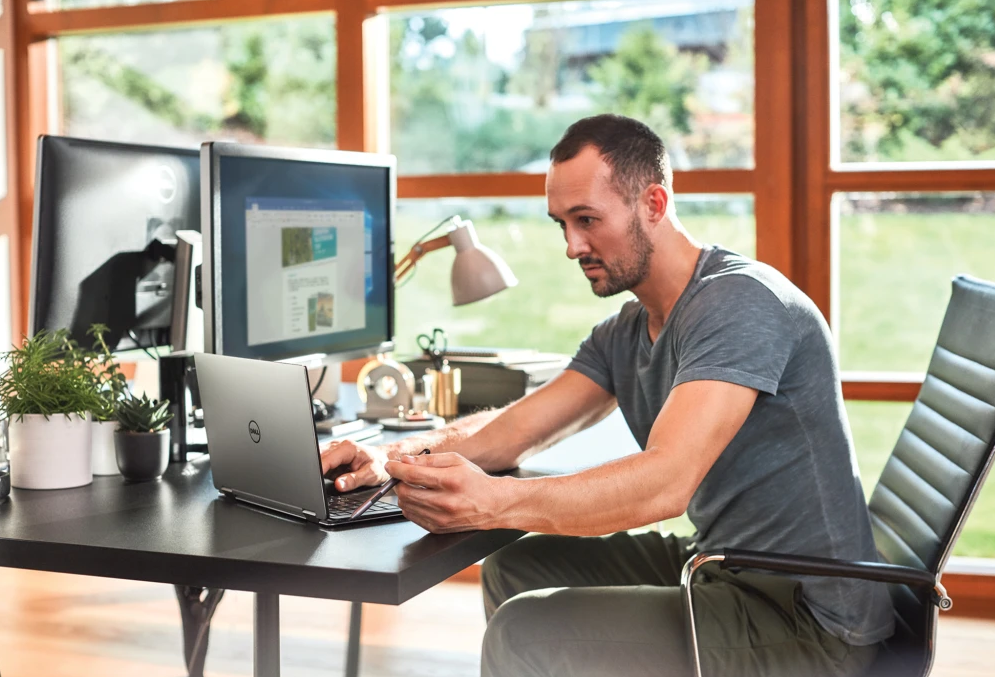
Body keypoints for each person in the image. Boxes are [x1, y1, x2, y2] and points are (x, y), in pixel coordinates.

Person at [321, 114, 893, 676]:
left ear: (654, 204)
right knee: (515, 569)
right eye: (561, 224)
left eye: (588, 219)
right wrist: (396, 459)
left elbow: (665, 481)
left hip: (812, 621)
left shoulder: (739, 305)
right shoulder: (627, 328)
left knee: (524, 634)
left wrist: (492, 501)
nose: (573, 246)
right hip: (723, 566)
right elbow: (519, 428)